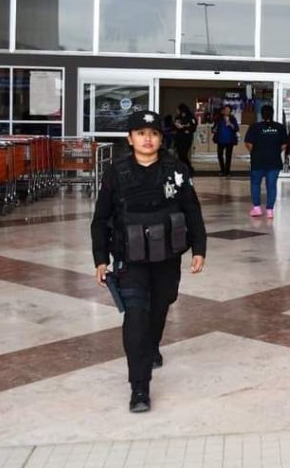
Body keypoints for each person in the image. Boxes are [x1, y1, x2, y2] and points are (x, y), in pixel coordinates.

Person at [90, 110, 206, 413]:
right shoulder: (116, 172)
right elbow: (100, 218)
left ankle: (152, 346)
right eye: (141, 133)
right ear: (130, 139)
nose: (147, 139)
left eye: (153, 134)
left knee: (161, 304)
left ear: (160, 139)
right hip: (131, 258)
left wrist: (199, 248)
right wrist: (101, 258)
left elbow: (192, 210)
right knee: (136, 316)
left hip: (167, 255)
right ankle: (139, 387)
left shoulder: (176, 170)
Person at [244, 104, 286, 219]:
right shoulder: (280, 127)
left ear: (261, 115)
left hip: (258, 160)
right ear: (272, 114)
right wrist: (276, 152)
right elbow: (284, 145)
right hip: (274, 160)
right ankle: (270, 210)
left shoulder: (254, 127)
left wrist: (254, 153)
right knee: (271, 185)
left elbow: (248, 143)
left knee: (255, 184)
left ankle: (257, 208)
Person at [212, 105, 240, 177]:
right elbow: (214, 128)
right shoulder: (219, 118)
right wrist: (214, 129)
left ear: (230, 111)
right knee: (220, 155)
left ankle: (227, 171)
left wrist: (230, 124)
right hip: (220, 140)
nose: (226, 111)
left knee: (228, 156)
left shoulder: (232, 118)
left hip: (230, 140)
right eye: (225, 109)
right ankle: (222, 170)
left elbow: (236, 128)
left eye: (228, 110)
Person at [172, 104, 197, 172]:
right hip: (179, 138)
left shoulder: (190, 117)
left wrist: (184, 128)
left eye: (178, 110)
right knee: (180, 154)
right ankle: (184, 169)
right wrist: (178, 127)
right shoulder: (178, 118)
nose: (177, 111)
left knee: (183, 154)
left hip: (187, 139)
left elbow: (193, 127)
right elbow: (174, 126)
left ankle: (189, 168)